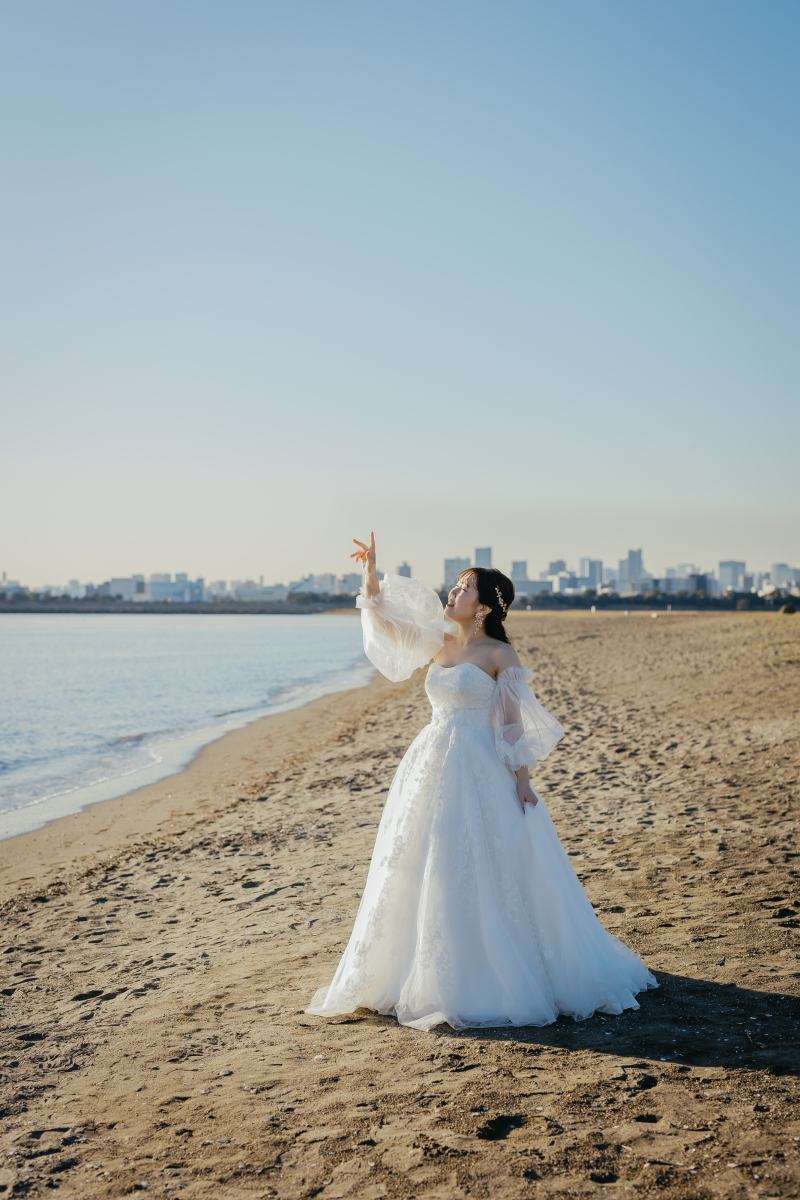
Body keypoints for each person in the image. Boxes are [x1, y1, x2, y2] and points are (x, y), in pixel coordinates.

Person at [306, 533, 656, 1032]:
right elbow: (385, 625)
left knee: (475, 859)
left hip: (477, 763)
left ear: (486, 607)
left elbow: (511, 726)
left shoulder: (500, 656)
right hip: (430, 761)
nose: (452, 593)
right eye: (454, 585)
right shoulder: (440, 642)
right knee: (423, 858)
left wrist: (522, 782)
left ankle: (483, 972)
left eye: (464, 588)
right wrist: (370, 575)